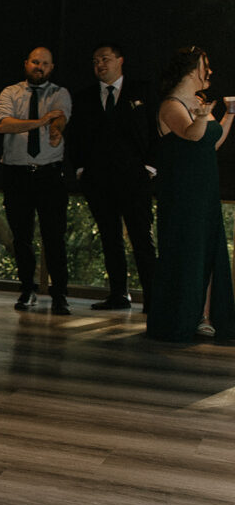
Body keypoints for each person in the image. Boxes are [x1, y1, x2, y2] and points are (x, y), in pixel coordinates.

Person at [147, 46, 234, 342]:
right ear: (191, 69)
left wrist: (230, 113)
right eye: (204, 65)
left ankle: (206, 316)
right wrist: (200, 118)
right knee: (187, 251)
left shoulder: (198, 102)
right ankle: (180, 316)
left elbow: (213, 142)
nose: (209, 71)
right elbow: (192, 135)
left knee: (208, 249)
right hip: (183, 191)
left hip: (204, 188)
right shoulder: (171, 106)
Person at [68, 43, 156, 310]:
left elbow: (155, 128)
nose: (100, 65)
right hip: (99, 181)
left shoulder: (141, 91)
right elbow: (77, 137)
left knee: (142, 237)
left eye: (105, 59)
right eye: (95, 61)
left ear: (120, 60)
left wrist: (151, 167)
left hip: (135, 178)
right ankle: (119, 294)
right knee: (110, 238)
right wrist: (81, 169)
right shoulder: (83, 97)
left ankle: (153, 297)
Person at [0, 46, 72, 315]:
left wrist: (54, 129)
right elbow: (3, 124)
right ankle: (27, 290)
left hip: (49, 174)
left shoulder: (60, 93)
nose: (39, 66)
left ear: (51, 68)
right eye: (35, 62)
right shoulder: (10, 92)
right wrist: (40, 121)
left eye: (45, 64)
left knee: (54, 237)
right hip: (17, 174)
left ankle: (60, 294)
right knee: (21, 237)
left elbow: (60, 117)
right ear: (26, 63)